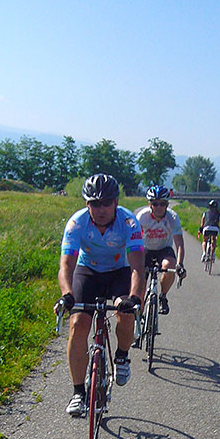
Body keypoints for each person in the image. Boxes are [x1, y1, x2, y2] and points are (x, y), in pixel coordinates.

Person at [57, 173, 145, 416]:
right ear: (87, 204)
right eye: (95, 203)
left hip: (119, 271)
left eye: (106, 203)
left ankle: (122, 356)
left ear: (116, 202)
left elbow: (137, 266)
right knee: (78, 323)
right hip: (89, 272)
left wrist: (135, 298)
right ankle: (78, 393)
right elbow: (66, 266)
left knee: (124, 313)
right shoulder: (77, 223)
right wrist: (67, 294)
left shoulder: (128, 223)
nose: (101, 209)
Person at [135, 185, 186, 315]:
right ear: (149, 204)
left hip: (164, 249)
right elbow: (134, 241)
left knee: (169, 266)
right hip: (145, 249)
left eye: (162, 204)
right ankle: (138, 319)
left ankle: (163, 296)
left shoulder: (172, 218)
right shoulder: (142, 217)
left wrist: (180, 264)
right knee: (139, 290)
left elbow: (179, 243)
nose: (158, 207)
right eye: (155, 203)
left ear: (167, 205)